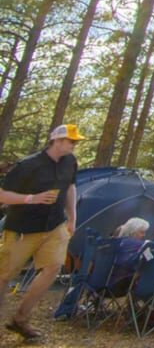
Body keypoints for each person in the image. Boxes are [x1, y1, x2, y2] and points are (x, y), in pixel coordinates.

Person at [0, 124, 84, 341]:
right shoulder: (28, 165)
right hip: (23, 228)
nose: (74, 145)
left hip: (54, 225)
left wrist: (72, 218)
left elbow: (71, 188)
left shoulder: (70, 163)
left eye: (75, 142)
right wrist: (30, 199)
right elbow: (2, 194)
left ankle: (20, 319)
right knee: (4, 275)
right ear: (57, 140)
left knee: (53, 267)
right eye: (71, 141)